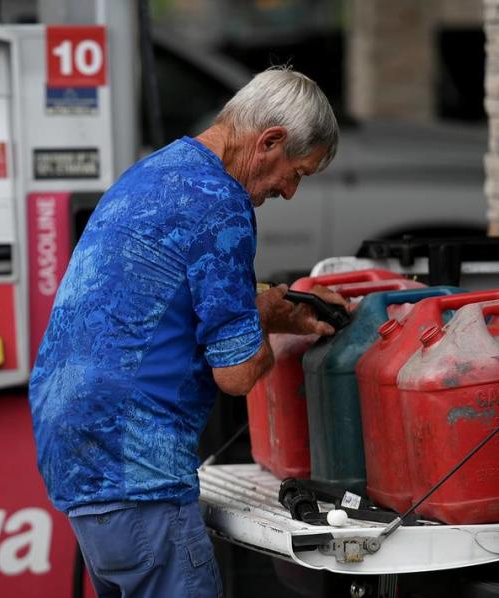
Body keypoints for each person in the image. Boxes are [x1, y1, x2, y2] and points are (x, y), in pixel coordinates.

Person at [29, 66, 342, 597]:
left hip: (79, 457)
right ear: (270, 141)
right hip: (138, 472)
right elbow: (238, 374)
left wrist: (266, 309)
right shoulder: (219, 204)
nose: (289, 192)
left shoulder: (158, 171)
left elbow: (162, 308)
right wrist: (267, 329)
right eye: (298, 172)